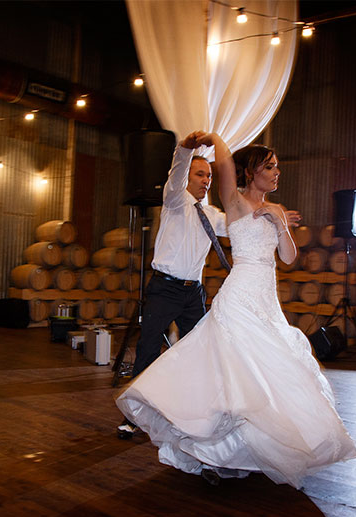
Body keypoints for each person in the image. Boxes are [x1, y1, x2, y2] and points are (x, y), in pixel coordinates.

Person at [116, 132, 356, 488]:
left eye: (208, 176)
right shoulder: (183, 201)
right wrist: (206, 141)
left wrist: (277, 221)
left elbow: (287, 256)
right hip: (191, 289)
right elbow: (221, 168)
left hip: (247, 297)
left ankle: (237, 448)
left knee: (241, 371)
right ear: (251, 171)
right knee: (169, 349)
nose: (277, 172)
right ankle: (150, 418)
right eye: (270, 166)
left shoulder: (222, 215)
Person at [117, 130, 300, 439]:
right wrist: (186, 149)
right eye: (200, 175)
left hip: (193, 293)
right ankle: (133, 417)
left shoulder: (214, 215)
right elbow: (177, 174)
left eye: (209, 176)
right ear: (188, 178)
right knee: (148, 348)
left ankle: (192, 409)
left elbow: (243, 226)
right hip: (165, 288)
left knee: (200, 353)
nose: (206, 180)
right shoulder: (175, 201)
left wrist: (276, 220)